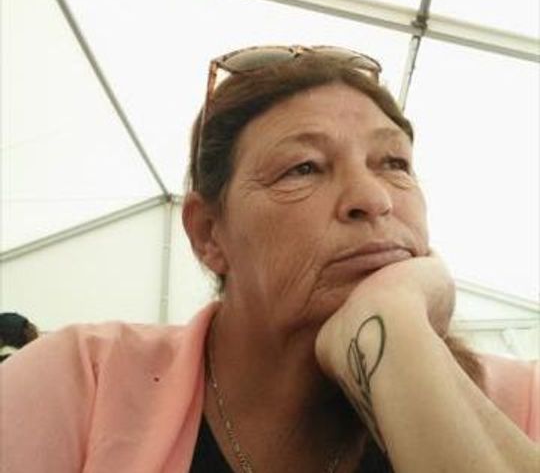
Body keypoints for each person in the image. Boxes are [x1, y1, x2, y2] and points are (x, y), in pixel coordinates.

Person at [1, 45, 538, 472]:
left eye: (394, 162)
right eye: (303, 168)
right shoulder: (81, 385)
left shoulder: (524, 403)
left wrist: (396, 333)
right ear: (209, 234)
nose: (374, 198)